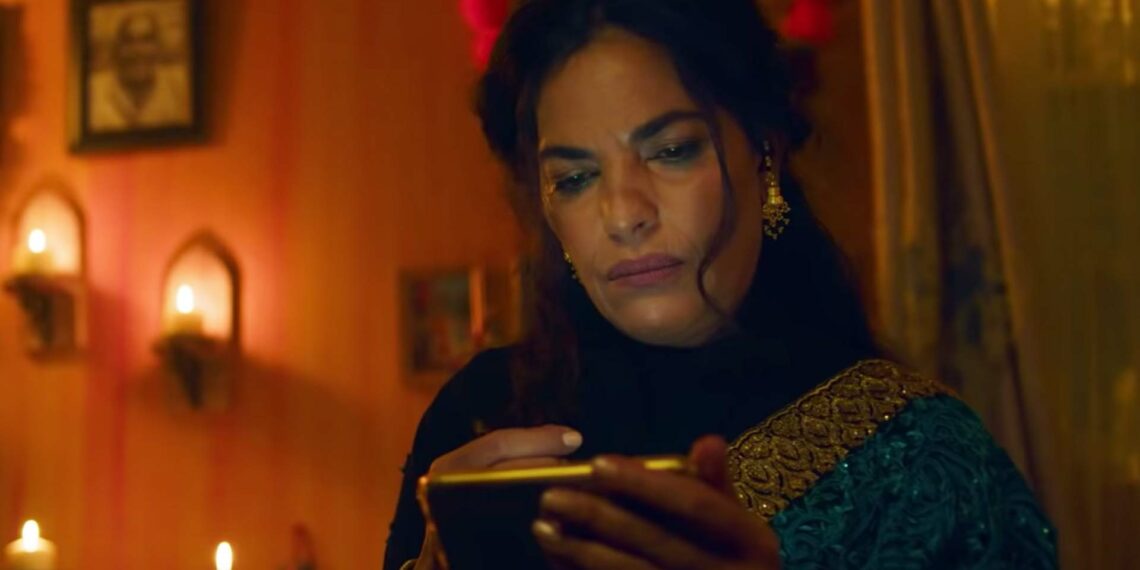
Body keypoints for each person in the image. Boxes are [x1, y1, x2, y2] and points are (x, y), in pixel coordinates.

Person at [384, 1, 1058, 568]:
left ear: (765, 153)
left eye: (671, 151)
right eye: (576, 178)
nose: (623, 214)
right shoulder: (479, 421)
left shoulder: (919, 458)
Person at [88, 10, 191, 132]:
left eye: (146, 40)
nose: (138, 50)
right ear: (117, 50)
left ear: (158, 48)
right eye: (129, 41)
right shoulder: (94, 91)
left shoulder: (179, 86)